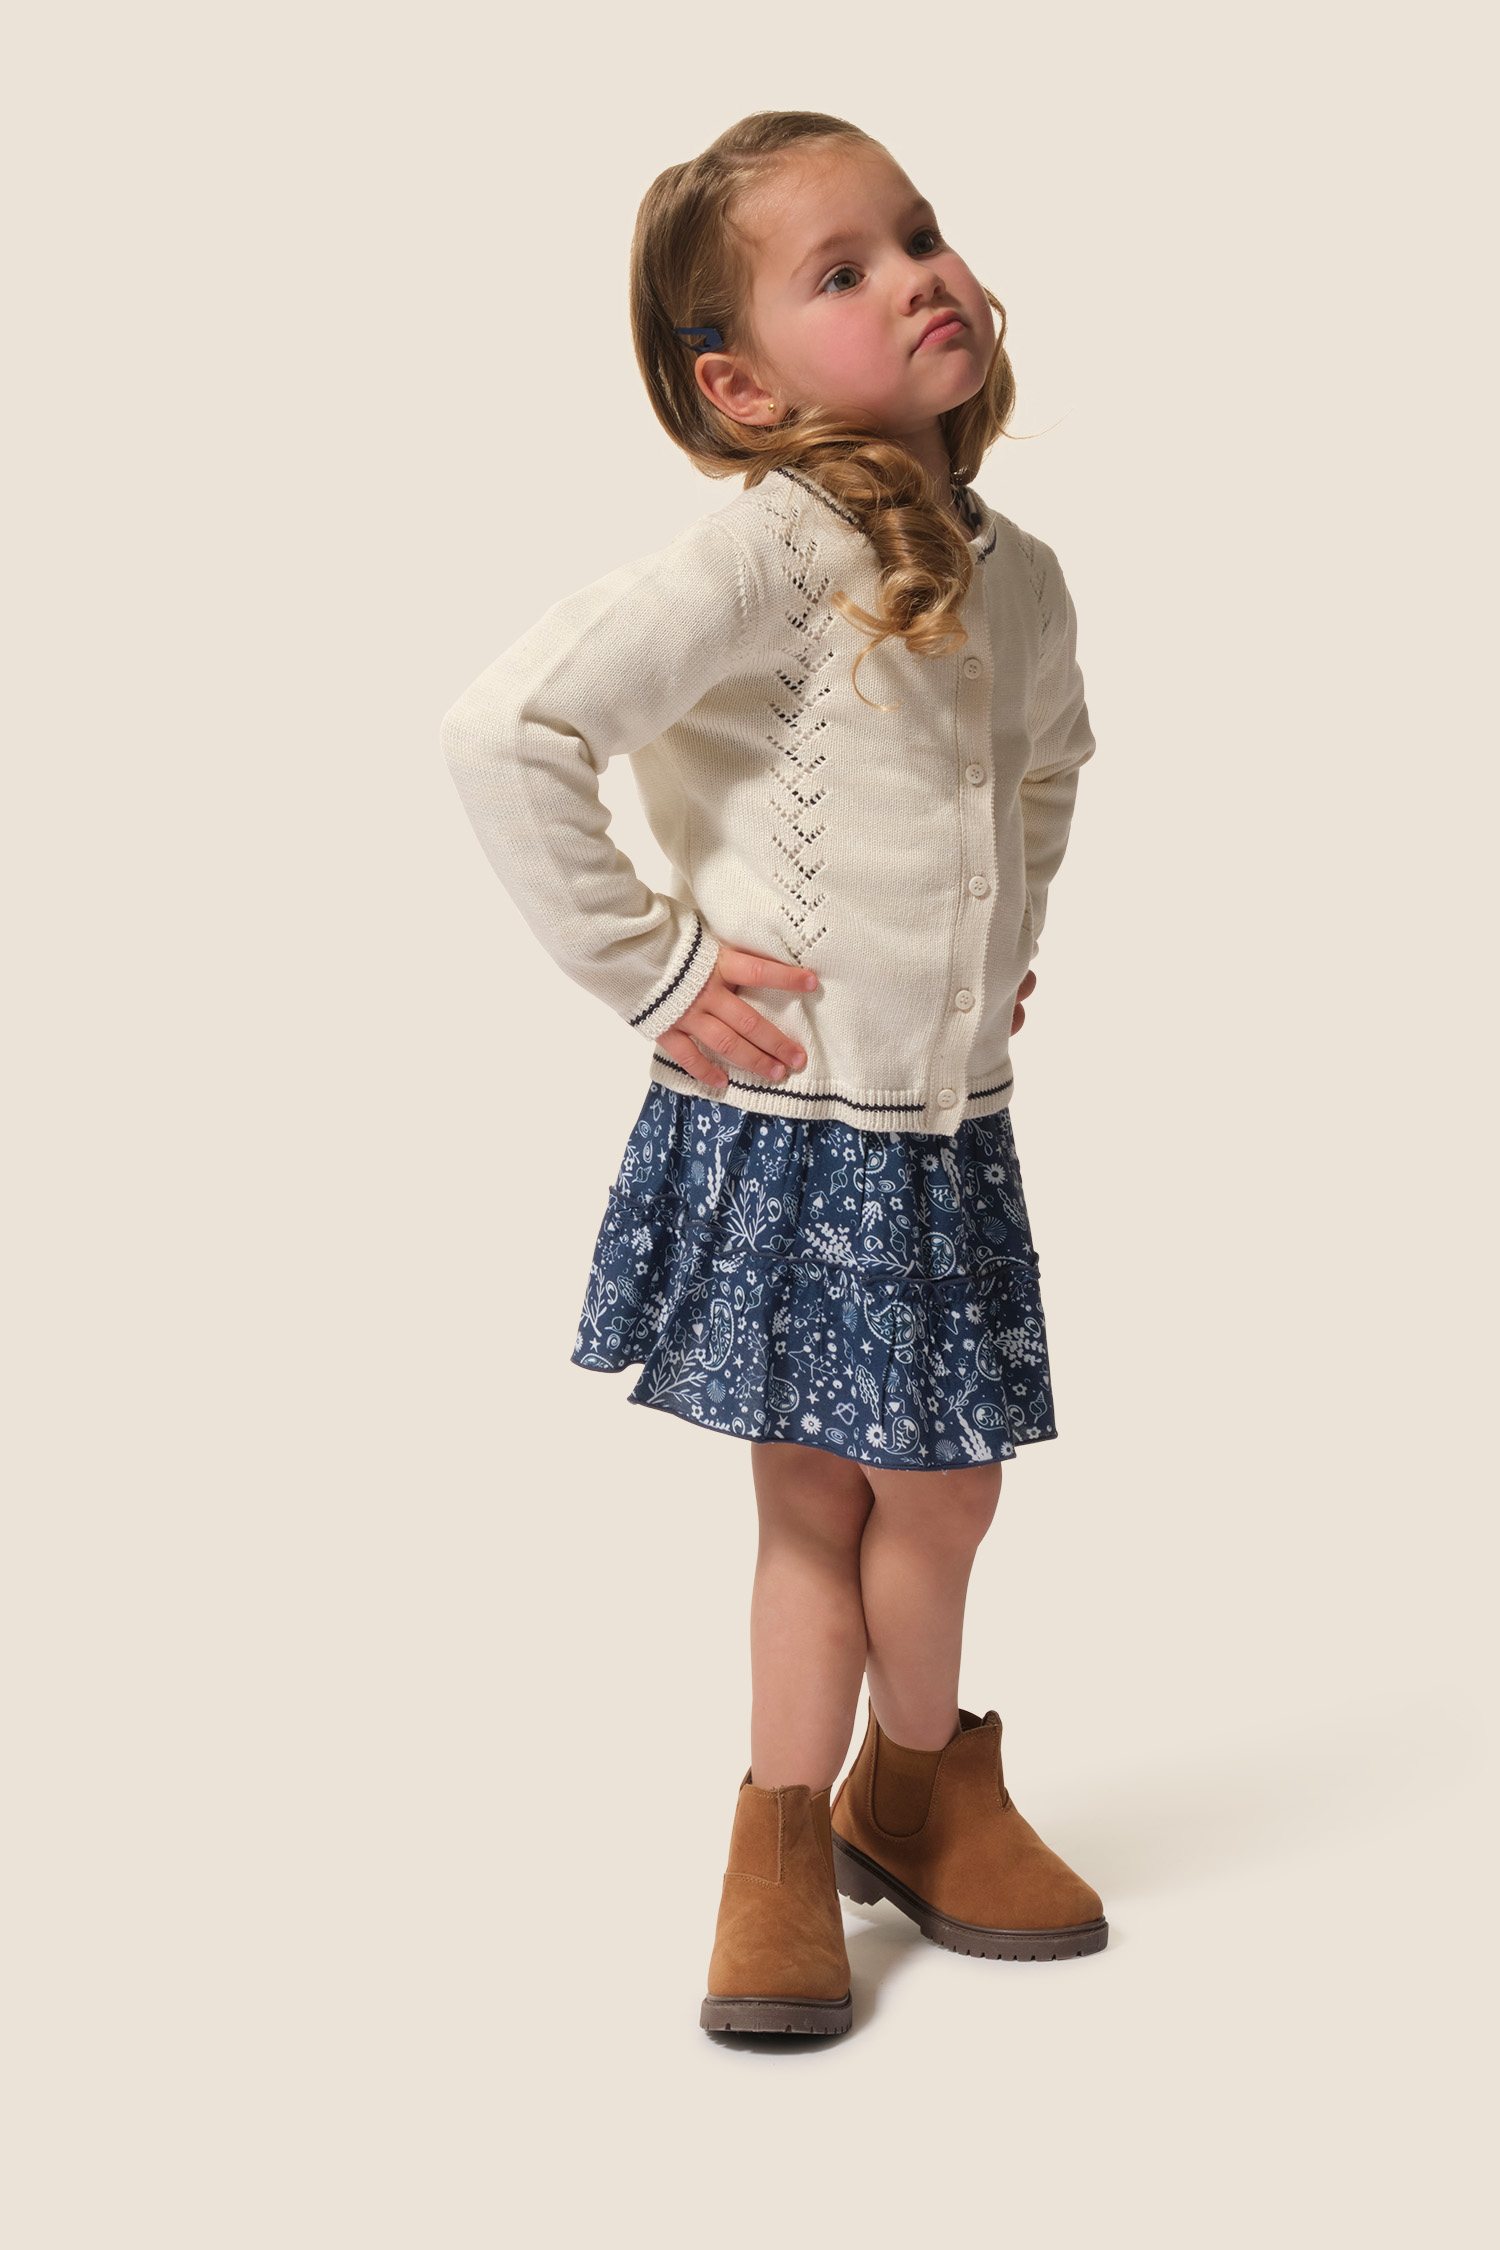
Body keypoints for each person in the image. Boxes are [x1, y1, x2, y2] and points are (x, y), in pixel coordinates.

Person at [441, 110, 1106, 2038]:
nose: (917, 275)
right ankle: (784, 1833)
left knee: (944, 1492)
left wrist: (1005, 928)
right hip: (794, 1126)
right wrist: (650, 968)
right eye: (843, 270)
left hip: (943, 1128)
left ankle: (919, 1785)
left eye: (920, 231)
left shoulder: (1023, 575)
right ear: (739, 386)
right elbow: (510, 729)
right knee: (827, 1498)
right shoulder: (772, 552)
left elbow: (1050, 761)